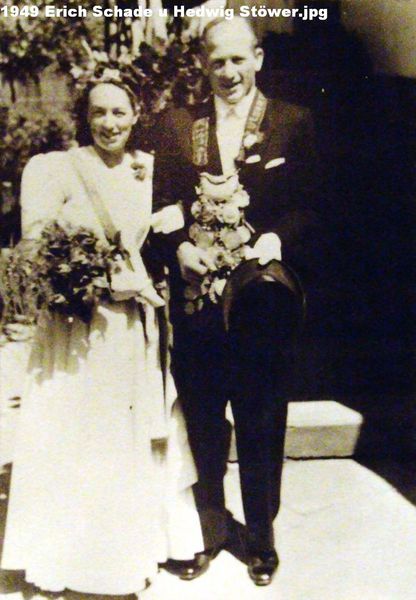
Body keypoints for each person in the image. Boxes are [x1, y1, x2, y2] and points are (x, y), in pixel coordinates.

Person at [1, 72, 204, 598]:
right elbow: (37, 250)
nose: (109, 123)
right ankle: (70, 556)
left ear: (136, 116)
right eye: (98, 112)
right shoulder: (56, 169)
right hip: (77, 328)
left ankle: (125, 552)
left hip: (131, 328)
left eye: (119, 112)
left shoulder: (149, 170)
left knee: (125, 436)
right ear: (84, 117)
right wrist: (101, 281)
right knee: (76, 435)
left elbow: (164, 240)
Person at [153, 17, 322, 586]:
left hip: (259, 303)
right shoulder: (178, 125)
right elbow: (162, 202)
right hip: (197, 300)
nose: (228, 71)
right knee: (202, 421)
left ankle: (261, 539)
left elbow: (310, 205)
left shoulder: (292, 122)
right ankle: (208, 530)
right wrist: (179, 249)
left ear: (258, 59)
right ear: (203, 64)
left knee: (261, 419)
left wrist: (276, 239)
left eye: (237, 59)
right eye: (217, 61)